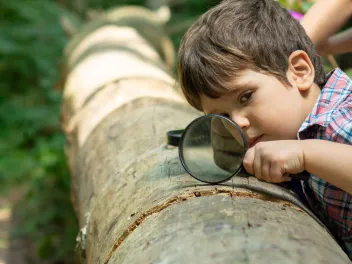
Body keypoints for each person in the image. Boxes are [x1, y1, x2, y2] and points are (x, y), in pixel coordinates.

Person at [177, 0, 352, 258]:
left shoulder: (341, 117)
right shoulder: (288, 134)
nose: (237, 123)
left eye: (246, 97)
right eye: (222, 116)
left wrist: (306, 154)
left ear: (300, 72)